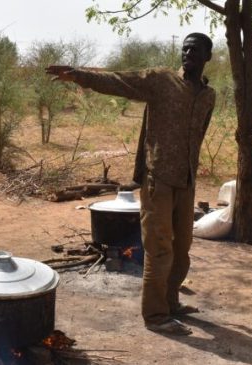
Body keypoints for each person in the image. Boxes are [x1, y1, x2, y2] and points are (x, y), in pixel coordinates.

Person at [47, 32, 215, 336]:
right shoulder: (161, 81)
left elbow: (199, 134)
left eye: (195, 49)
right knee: (160, 248)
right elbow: (119, 81)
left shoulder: (208, 95)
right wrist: (79, 75)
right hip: (158, 180)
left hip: (186, 180)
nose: (187, 53)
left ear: (207, 57)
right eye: (184, 48)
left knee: (182, 248)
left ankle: (171, 302)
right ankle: (155, 315)